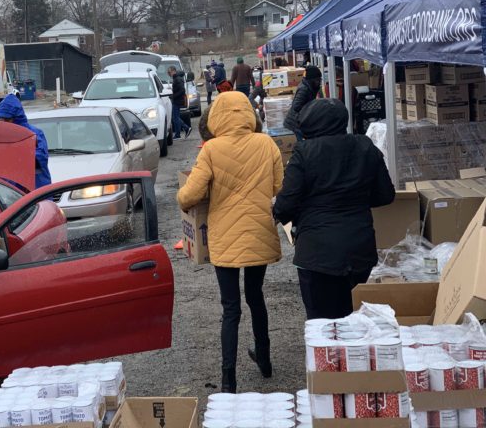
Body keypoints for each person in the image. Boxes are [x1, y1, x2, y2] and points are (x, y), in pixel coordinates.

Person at [177, 92, 283, 393]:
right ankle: (264, 360)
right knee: (256, 296)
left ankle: (228, 380)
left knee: (230, 308)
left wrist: (182, 197)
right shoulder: (267, 143)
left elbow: (189, 195)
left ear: (217, 117)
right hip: (260, 230)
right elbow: (279, 187)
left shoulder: (211, 149)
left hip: (224, 237)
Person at [273, 99, 395, 320]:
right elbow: (386, 195)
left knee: (322, 324)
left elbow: (285, 204)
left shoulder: (305, 152)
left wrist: (284, 214)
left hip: (317, 251)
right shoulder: (365, 146)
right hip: (359, 246)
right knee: (357, 319)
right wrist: (356, 201)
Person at [0, 93, 52, 189]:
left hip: (37, 193)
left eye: (7, 119)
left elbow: (40, 158)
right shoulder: (1, 138)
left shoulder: (35, 134)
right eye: (1, 119)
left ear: (17, 117)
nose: (4, 123)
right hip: (11, 194)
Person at [284, 65, 322, 140]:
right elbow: (296, 106)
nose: (319, 82)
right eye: (318, 80)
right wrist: (311, 109)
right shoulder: (304, 89)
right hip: (296, 123)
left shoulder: (310, 86)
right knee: (303, 145)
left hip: (300, 122)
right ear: (312, 79)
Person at [168, 66, 192, 139]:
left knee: (175, 118)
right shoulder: (177, 78)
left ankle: (186, 128)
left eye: (169, 72)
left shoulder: (177, 79)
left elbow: (182, 90)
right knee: (176, 117)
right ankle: (179, 134)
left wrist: (173, 96)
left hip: (177, 100)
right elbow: (179, 89)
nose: (169, 74)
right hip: (177, 99)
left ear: (173, 71)